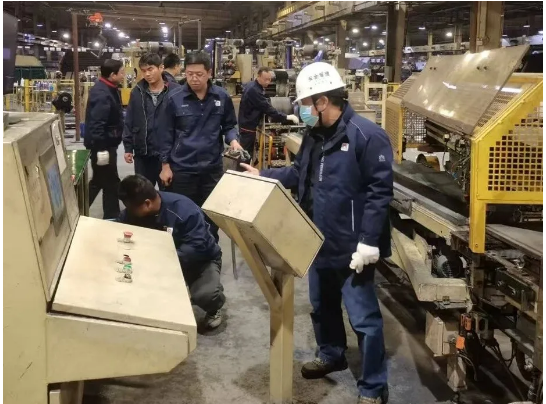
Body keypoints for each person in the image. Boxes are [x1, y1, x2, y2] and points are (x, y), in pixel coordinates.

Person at [241, 62, 392, 404]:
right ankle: (332, 354)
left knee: (364, 319)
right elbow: (300, 174)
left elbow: (379, 194)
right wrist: (263, 175)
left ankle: (373, 387)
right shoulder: (314, 135)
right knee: (323, 306)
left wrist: (368, 242)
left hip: (353, 247)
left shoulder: (367, 136)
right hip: (318, 239)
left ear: (323, 101)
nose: (302, 111)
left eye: (306, 103)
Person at [117, 174, 225, 329]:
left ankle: (214, 308)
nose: (129, 211)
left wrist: (161, 261)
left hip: (198, 262)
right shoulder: (132, 213)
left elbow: (197, 246)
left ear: (147, 203)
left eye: (132, 208)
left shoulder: (184, 210)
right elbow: (122, 231)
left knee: (205, 295)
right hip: (159, 261)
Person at [158, 51, 242, 242]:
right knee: (182, 218)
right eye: (189, 74)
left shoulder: (221, 96)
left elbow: (229, 125)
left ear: (209, 73)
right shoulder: (174, 98)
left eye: (199, 74)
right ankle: (183, 255)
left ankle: (210, 253)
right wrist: (165, 165)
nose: (194, 79)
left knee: (211, 219)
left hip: (211, 170)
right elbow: (165, 134)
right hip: (182, 170)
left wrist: (233, 140)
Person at [123, 53, 179, 186]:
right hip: (144, 154)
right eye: (143, 71)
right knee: (143, 192)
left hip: (168, 155)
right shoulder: (137, 92)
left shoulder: (176, 91)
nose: (147, 74)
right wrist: (128, 147)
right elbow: (129, 120)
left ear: (161, 68)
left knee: (168, 192)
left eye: (150, 69)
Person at [84, 58, 125, 219]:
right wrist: (101, 149)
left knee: (107, 181)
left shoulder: (109, 88)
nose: (123, 75)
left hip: (107, 143)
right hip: (103, 145)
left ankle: (111, 214)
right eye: (121, 73)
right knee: (104, 181)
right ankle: (76, 207)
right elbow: (97, 123)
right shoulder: (102, 94)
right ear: (112, 75)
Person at [238, 66, 299, 158]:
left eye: (269, 79)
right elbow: (267, 108)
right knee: (245, 154)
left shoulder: (254, 86)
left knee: (247, 153)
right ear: (258, 76)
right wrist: (286, 117)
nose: (268, 82)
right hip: (248, 127)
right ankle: (242, 167)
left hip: (247, 124)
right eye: (265, 79)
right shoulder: (254, 90)